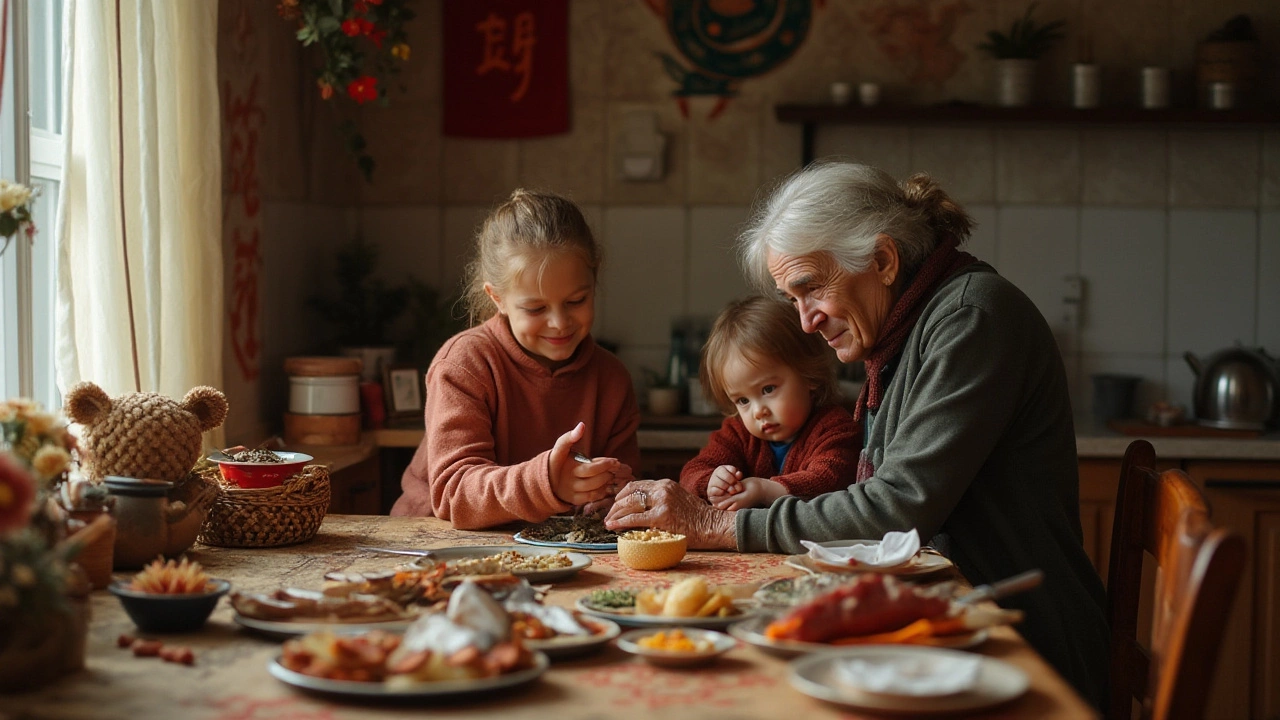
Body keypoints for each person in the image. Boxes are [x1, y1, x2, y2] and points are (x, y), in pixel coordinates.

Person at [606, 162, 1109, 707]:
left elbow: (893, 509)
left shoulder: (971, 318)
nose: (805, 322)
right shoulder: (900, 336)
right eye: (792, 299)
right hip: (950, 627)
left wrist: (716, 523)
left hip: (1021, 642)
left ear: (884, 261)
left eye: (811, 289)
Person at [391, 188, 639, 529]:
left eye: (577, 301)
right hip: (433, 544)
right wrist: (548, 483)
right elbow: (455, 492)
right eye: (536, 308)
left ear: (594, 282)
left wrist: (611, 490)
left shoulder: (611, 378)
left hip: (551, 550)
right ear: (498, 298)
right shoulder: (465, 364)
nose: (559, 322)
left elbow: (624, 488)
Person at [680, 296, 859, 510]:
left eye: (768, 389)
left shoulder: (836, 428)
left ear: (808, 374)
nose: (758, 412)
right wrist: (711, 481)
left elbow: (830, 479)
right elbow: (691, 473)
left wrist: (765, 490)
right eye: (743, 400)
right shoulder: (738, 434)